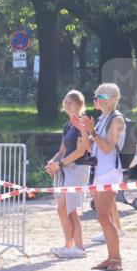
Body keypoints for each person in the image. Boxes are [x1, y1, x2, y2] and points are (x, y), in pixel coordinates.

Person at [75, 83, 126, 271]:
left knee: (104, 216)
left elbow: (106, 147)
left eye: (103, 96)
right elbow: (90, 148)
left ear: (114, 98)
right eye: (97, 96)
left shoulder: (117, 120)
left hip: (111, 172)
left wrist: (92, 130)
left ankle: (116, 259)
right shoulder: (102, 118)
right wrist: (83, 128)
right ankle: (111, 257)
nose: (98, 100)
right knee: (103, 217)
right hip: (100, 172)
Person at [46, 90, 92, 258]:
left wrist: (60, 164)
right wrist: (52, 162)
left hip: (78, 170)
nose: (66, 105)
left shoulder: (82, 123)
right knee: (69, 210)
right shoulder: (67, 125)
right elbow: (62, 150)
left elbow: (81, 151)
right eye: (65, 102)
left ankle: (74, 247)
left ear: (79, 104)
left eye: (70, 103)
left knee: (64, 208)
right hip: (66, 169)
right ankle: (73, 247)